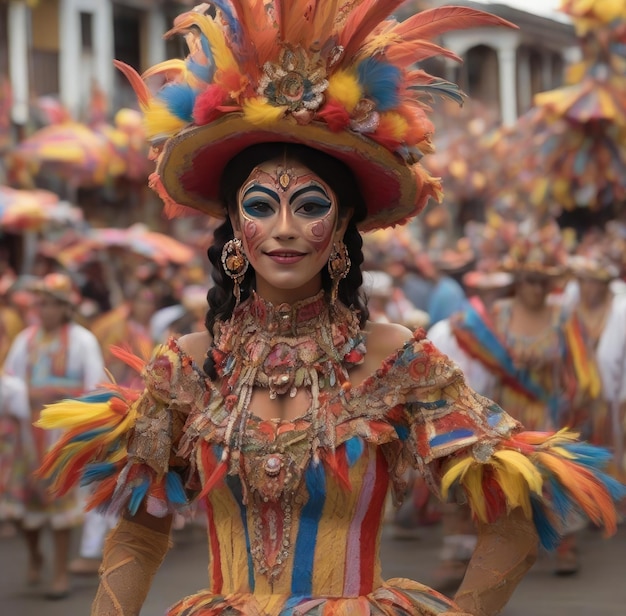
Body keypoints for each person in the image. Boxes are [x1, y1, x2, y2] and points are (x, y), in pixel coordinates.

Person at [36, 3, 624, 616]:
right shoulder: (187, 366)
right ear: (235, 225)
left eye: (310, 206)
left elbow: (519, 503)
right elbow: (138, 525)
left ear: (342, 222)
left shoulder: (395, 359)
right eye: (261, 206)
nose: (284, 229)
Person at [4, 272, 106, 598]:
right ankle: (35, 555)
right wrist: (26, 395)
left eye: (52, 304)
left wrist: (70, 410)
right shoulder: (26, 340)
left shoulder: (82, 340)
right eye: (41, 304)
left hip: (63, 437)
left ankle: (60, 572)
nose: (45, 310)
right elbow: (10, 379)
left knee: (60, 505)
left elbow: (94, 387)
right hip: (28, 434)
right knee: (25, 507)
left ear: (65, 307)